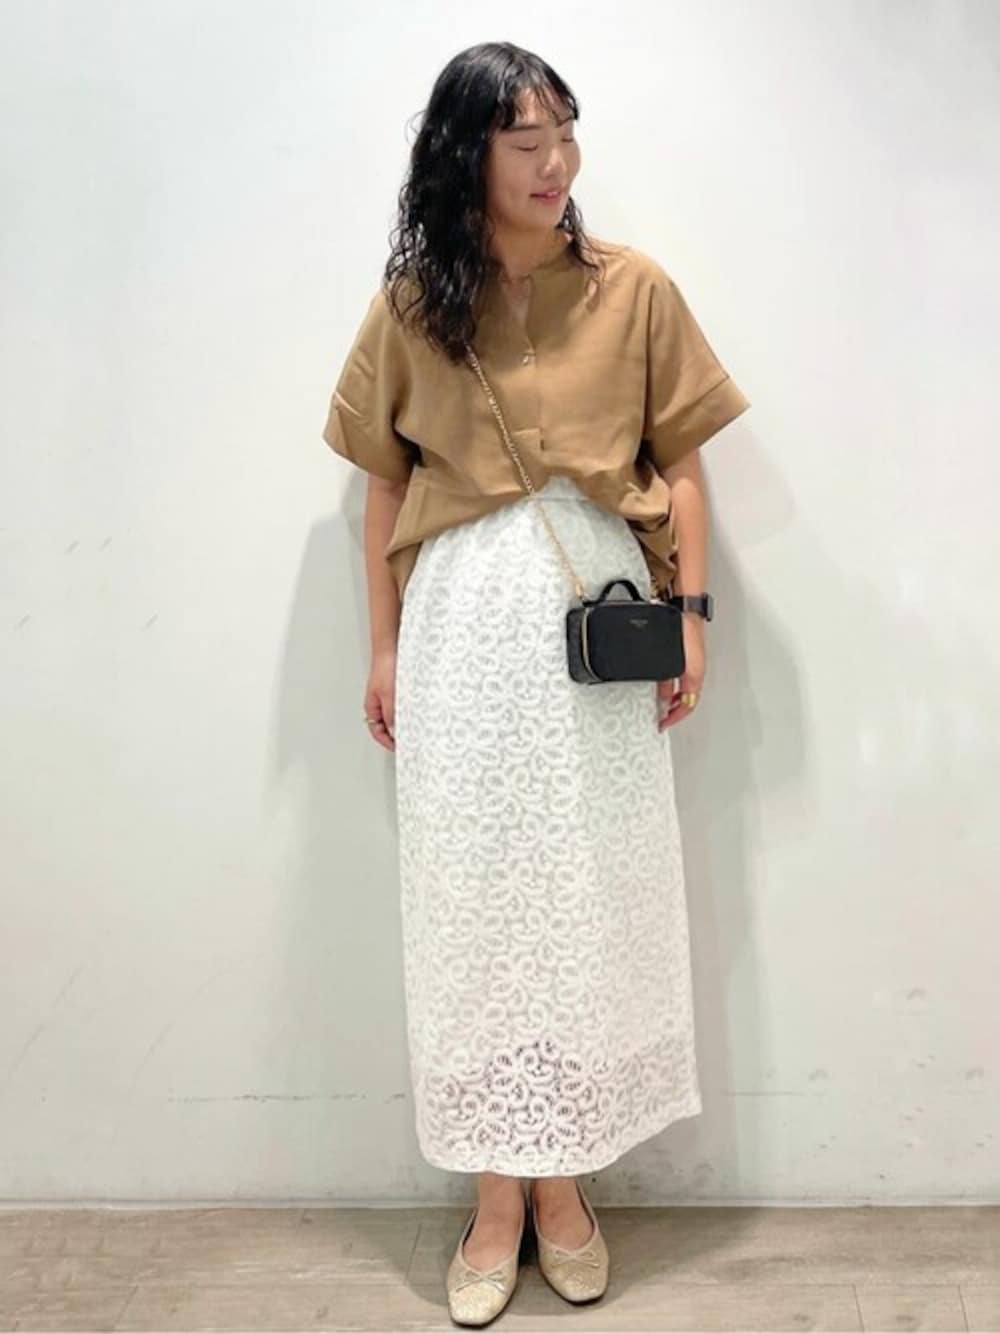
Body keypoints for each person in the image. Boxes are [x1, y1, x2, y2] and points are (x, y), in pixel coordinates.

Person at [321, 41, 750, 1327]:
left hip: (595, 632)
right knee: (474, 902)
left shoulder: (634, 289)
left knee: (587, 895)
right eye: (524, 140)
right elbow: (383, 487)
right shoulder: (413, 307)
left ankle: (562, 1185)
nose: (555, 161)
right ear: (467, 153)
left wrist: (692, 614)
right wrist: (384, 647)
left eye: (564, 132)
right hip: (462, 629)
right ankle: (493, 1195)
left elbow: (681, 465)